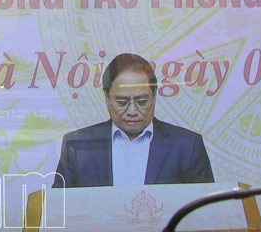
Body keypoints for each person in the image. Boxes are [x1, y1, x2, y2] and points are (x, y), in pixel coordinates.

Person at [55, 53, 213, 188]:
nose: (132, 111)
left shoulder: (187, 146)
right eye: (122, 102)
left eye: (142, 101)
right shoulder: (76, 145)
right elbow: (59, 208)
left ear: (154, 96)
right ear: (107, 97)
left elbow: (206, 209)